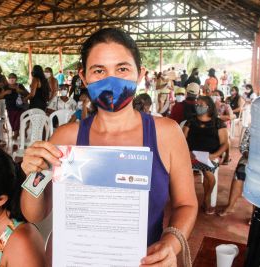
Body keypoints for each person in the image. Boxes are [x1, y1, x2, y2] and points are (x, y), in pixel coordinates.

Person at [21, 28, 197, 266]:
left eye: (122, 68)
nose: (110, 80)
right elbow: (35, 213)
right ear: (84, 78)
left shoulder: (166, 133)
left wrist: (171, 243)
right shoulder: (66, 137)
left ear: (139, 74)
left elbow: (186, 204)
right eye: (99, 70)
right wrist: (33, 176)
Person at [183, 96, 229, 214]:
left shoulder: (218, 123)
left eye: (201, 105)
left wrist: (214, 155)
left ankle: (207, 198)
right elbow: (182, 139)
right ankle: (206, 199)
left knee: (208, 173)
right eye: (197, 105)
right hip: (191, 154)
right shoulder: (191, 121)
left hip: (210, 155)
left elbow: (225, 143)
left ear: (209, 107)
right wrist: (187, 152)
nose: (198, 107)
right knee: (208, 174)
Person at [218, 128, 250, 217]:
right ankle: (230, 206)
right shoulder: (251, 128)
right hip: (249, 159)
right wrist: (248, 154)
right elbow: (243, 147)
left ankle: (255, 213)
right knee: (240, 172)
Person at [0, 73, 29, 140]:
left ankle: (16, 134)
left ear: (16, 78)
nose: (12, 79)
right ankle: (16, 133)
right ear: (8, 79)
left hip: (20, 107)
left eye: (13, 77)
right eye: (10, 78)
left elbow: (27, 94)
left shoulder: (20, 85)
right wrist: (5, 93)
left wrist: (19, 90)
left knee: (18, 121)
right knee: (12, 121)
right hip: (10, 108)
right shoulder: (5, 87)